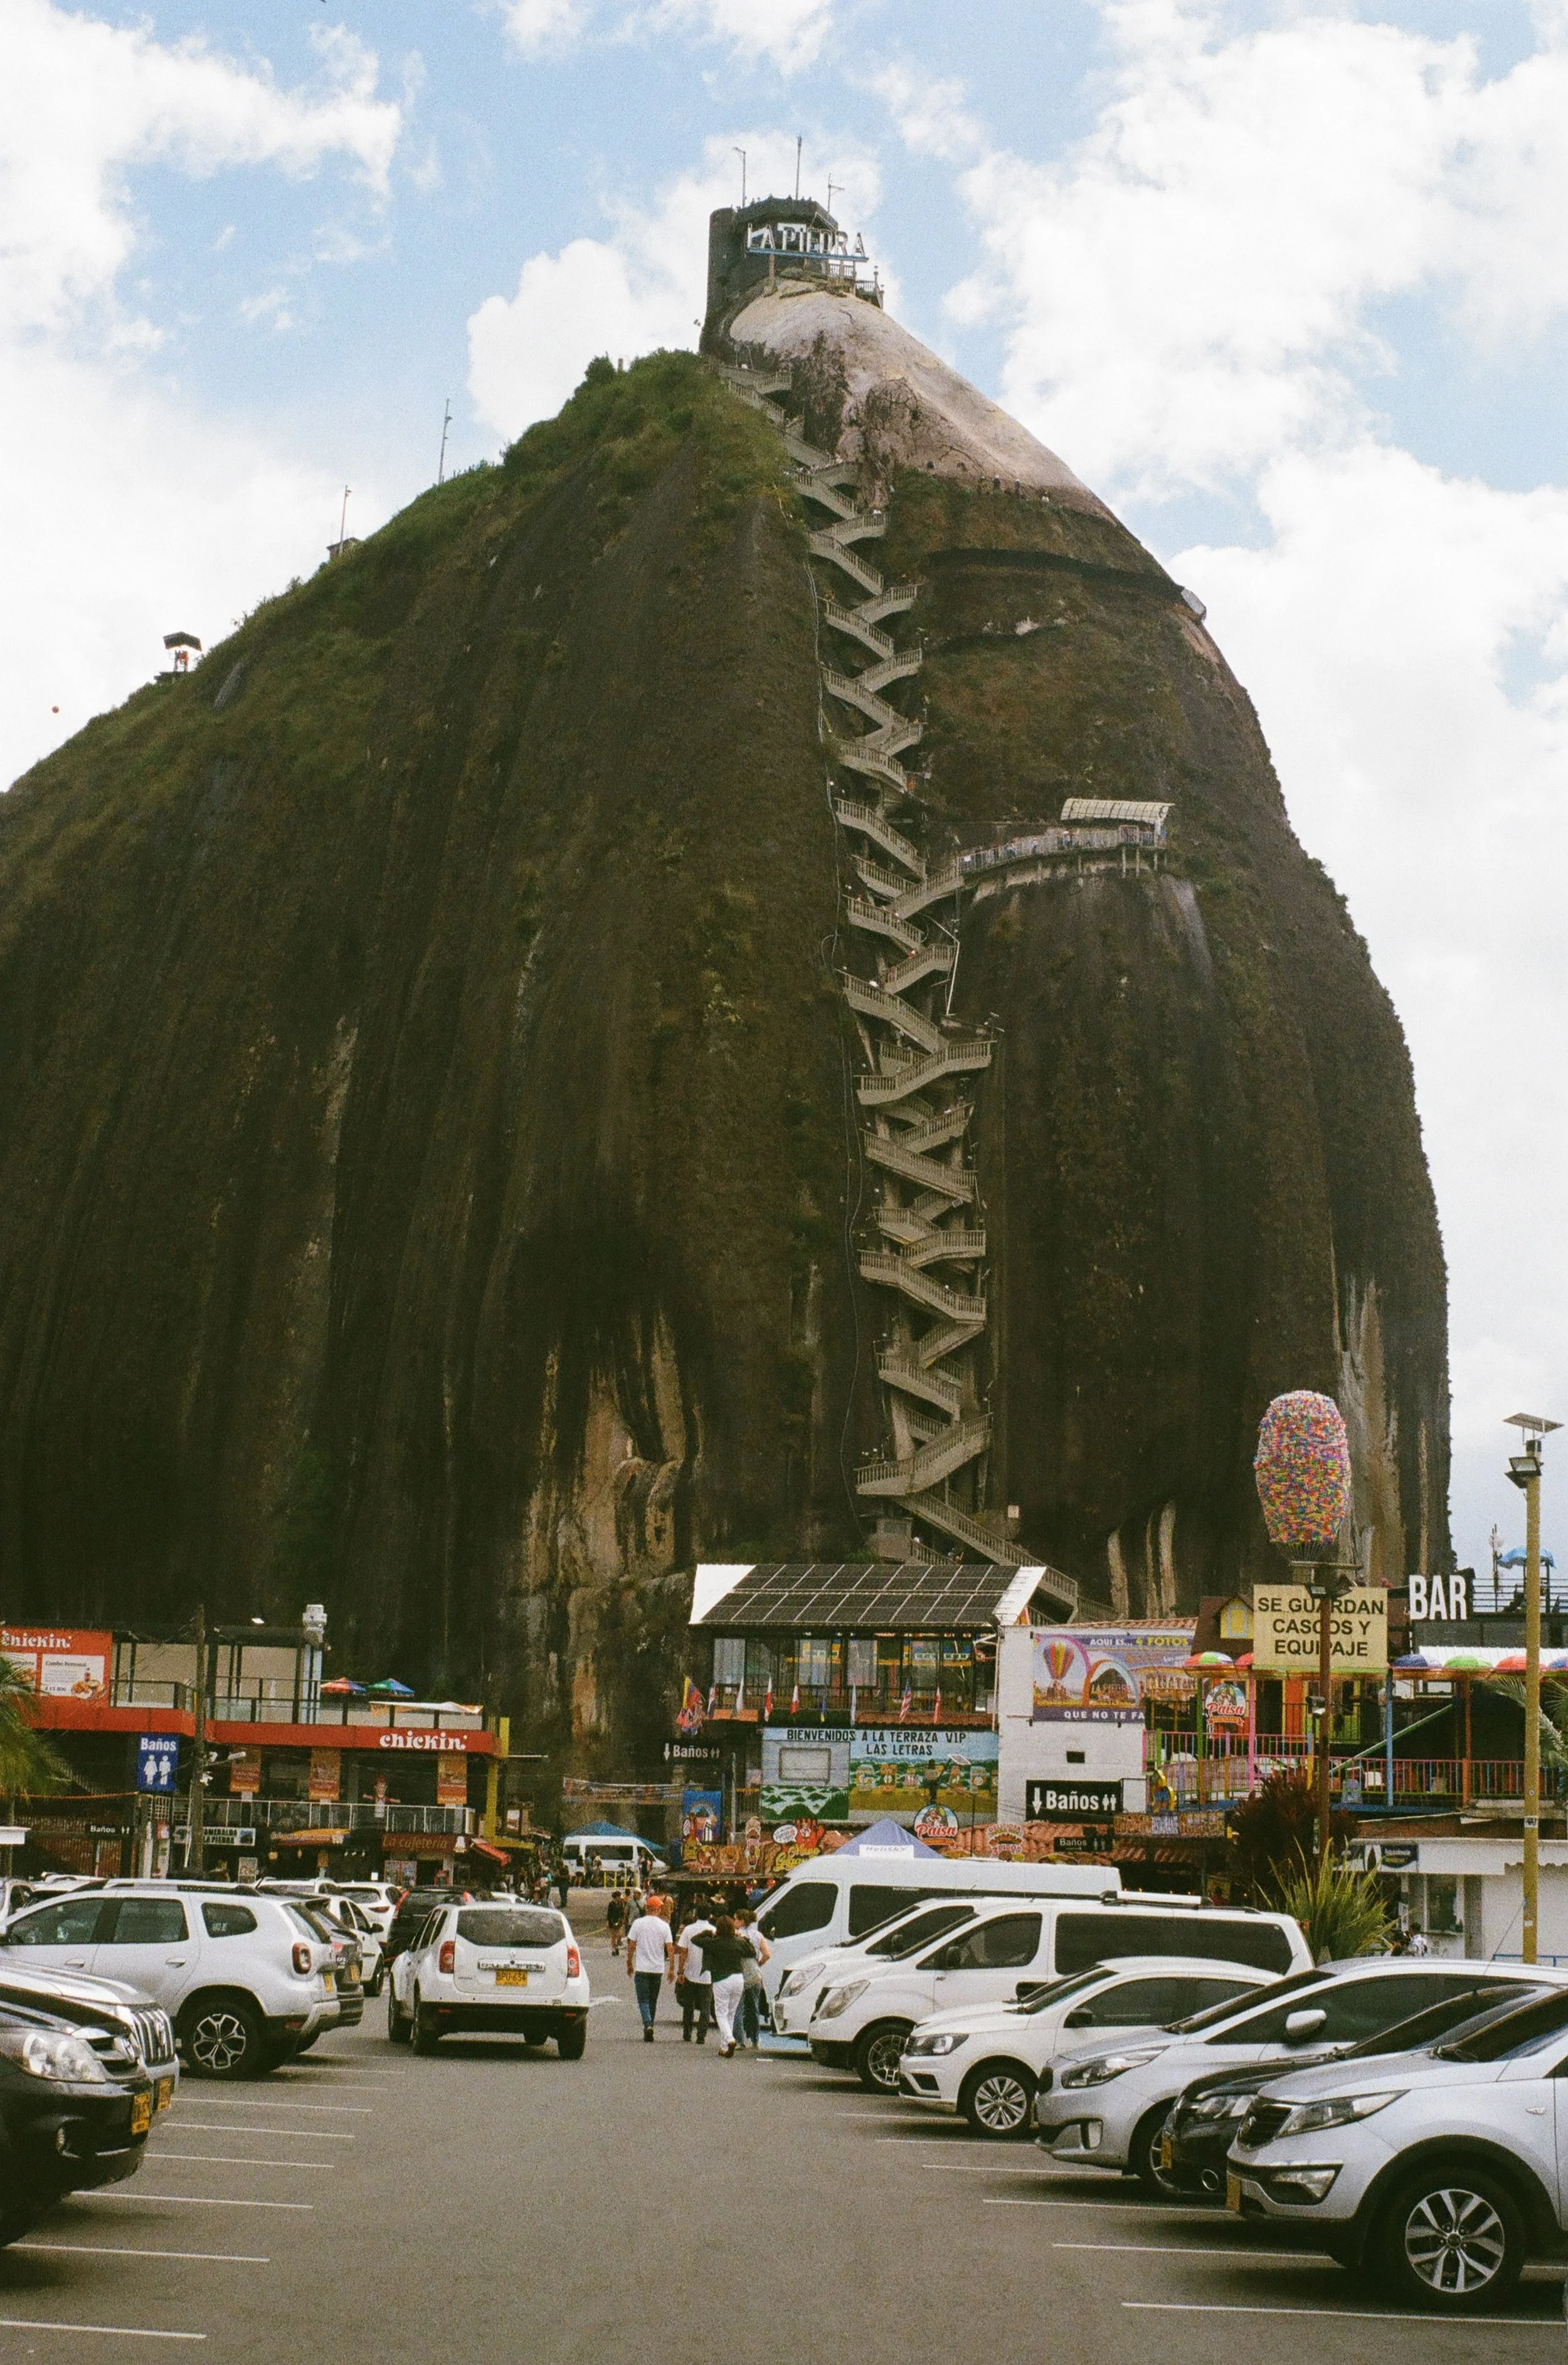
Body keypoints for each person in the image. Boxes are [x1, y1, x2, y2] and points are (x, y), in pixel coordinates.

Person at [702, 1915, 756, 2056]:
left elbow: (696, 1940)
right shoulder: (738, 1942)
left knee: (721, 2014)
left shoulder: (715, 1942)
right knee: (731, 2014)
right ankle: (724, 2047)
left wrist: (709, 1933)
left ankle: (729, 2039)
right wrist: (744, 1938)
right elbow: (752, 1952)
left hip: (721, 1979)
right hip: (738, 1978)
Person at [625, 1895, 674, 2040]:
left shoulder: (638, 1924)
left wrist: (629, 1962)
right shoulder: (664, 1926)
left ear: (647, 1908)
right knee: (653, 2000)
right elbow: (670, 1948)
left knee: (643, 1999)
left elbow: (631, 1944)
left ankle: (648, 2025)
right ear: (658, 1909)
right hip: (658, 1969)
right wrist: (672, 1968)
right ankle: (650, 2025)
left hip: (642, 1968)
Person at [677, 1900, 716, 2045]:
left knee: (689, 2005)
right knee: (706, 2006)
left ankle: (687, 2033)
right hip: (707, 1973)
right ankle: (701, 2036)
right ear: (710, 1915)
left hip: (690, 1971)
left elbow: (683, 1951)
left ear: (696, 1914)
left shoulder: (688, 1929)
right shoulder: (713, 1930)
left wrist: (680, 1971)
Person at [735, 1907, 770, 2050]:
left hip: (739, 1973)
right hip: (755, 1974)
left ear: (742, 1921)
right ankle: (755, 2040)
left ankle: (739, 2041)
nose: (734, 1922)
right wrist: (757, 1964)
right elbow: (767, 1954)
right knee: (754, 2008)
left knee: (738, 2008)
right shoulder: (758, 1935)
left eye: (736, 1919)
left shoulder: (736, 1935)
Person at [607, 1887, 627, 1957]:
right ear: (617, 1897)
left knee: (620, 1934)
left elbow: (622, 1912)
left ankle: (618, 1944)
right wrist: (608, 1921)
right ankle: (614, 1949)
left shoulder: (621, 1904)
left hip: (619, 1921)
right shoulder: (611, 1904)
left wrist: (623, 1919)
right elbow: (609, 1914)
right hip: (612, 1921)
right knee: (613, 1937)